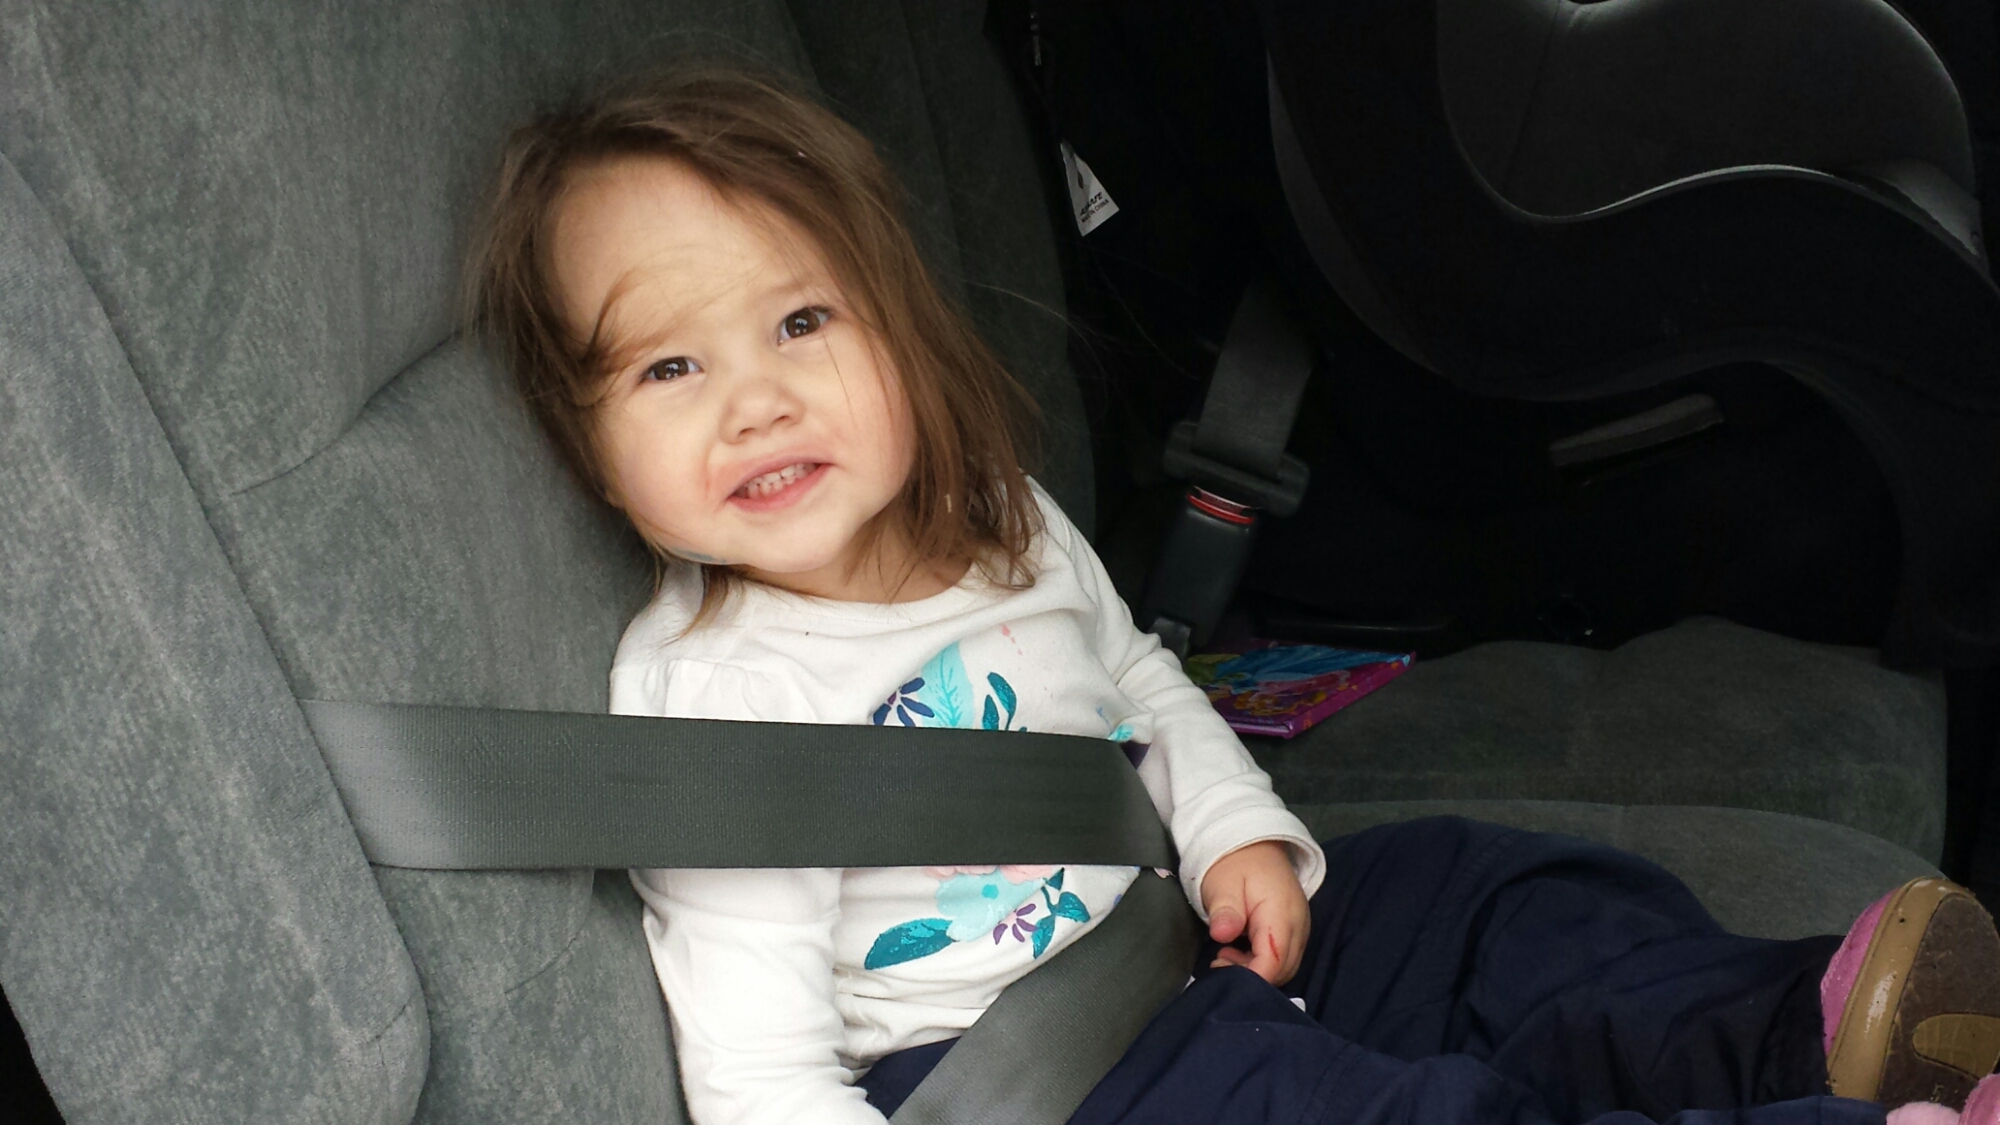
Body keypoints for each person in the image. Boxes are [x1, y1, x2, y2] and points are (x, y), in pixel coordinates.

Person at [464, 66, 2000, 1125]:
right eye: (670, 365)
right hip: (1048, 1081)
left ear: (899, 331)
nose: (756, 400)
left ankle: (1790, 1026)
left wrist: (1231, 829)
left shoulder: (994, 517)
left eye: (802, 321)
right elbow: (761, 1078)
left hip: (1181, 948)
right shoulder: (722, 701)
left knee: (1481, 896)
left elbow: (1136, 678)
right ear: (590, 449)